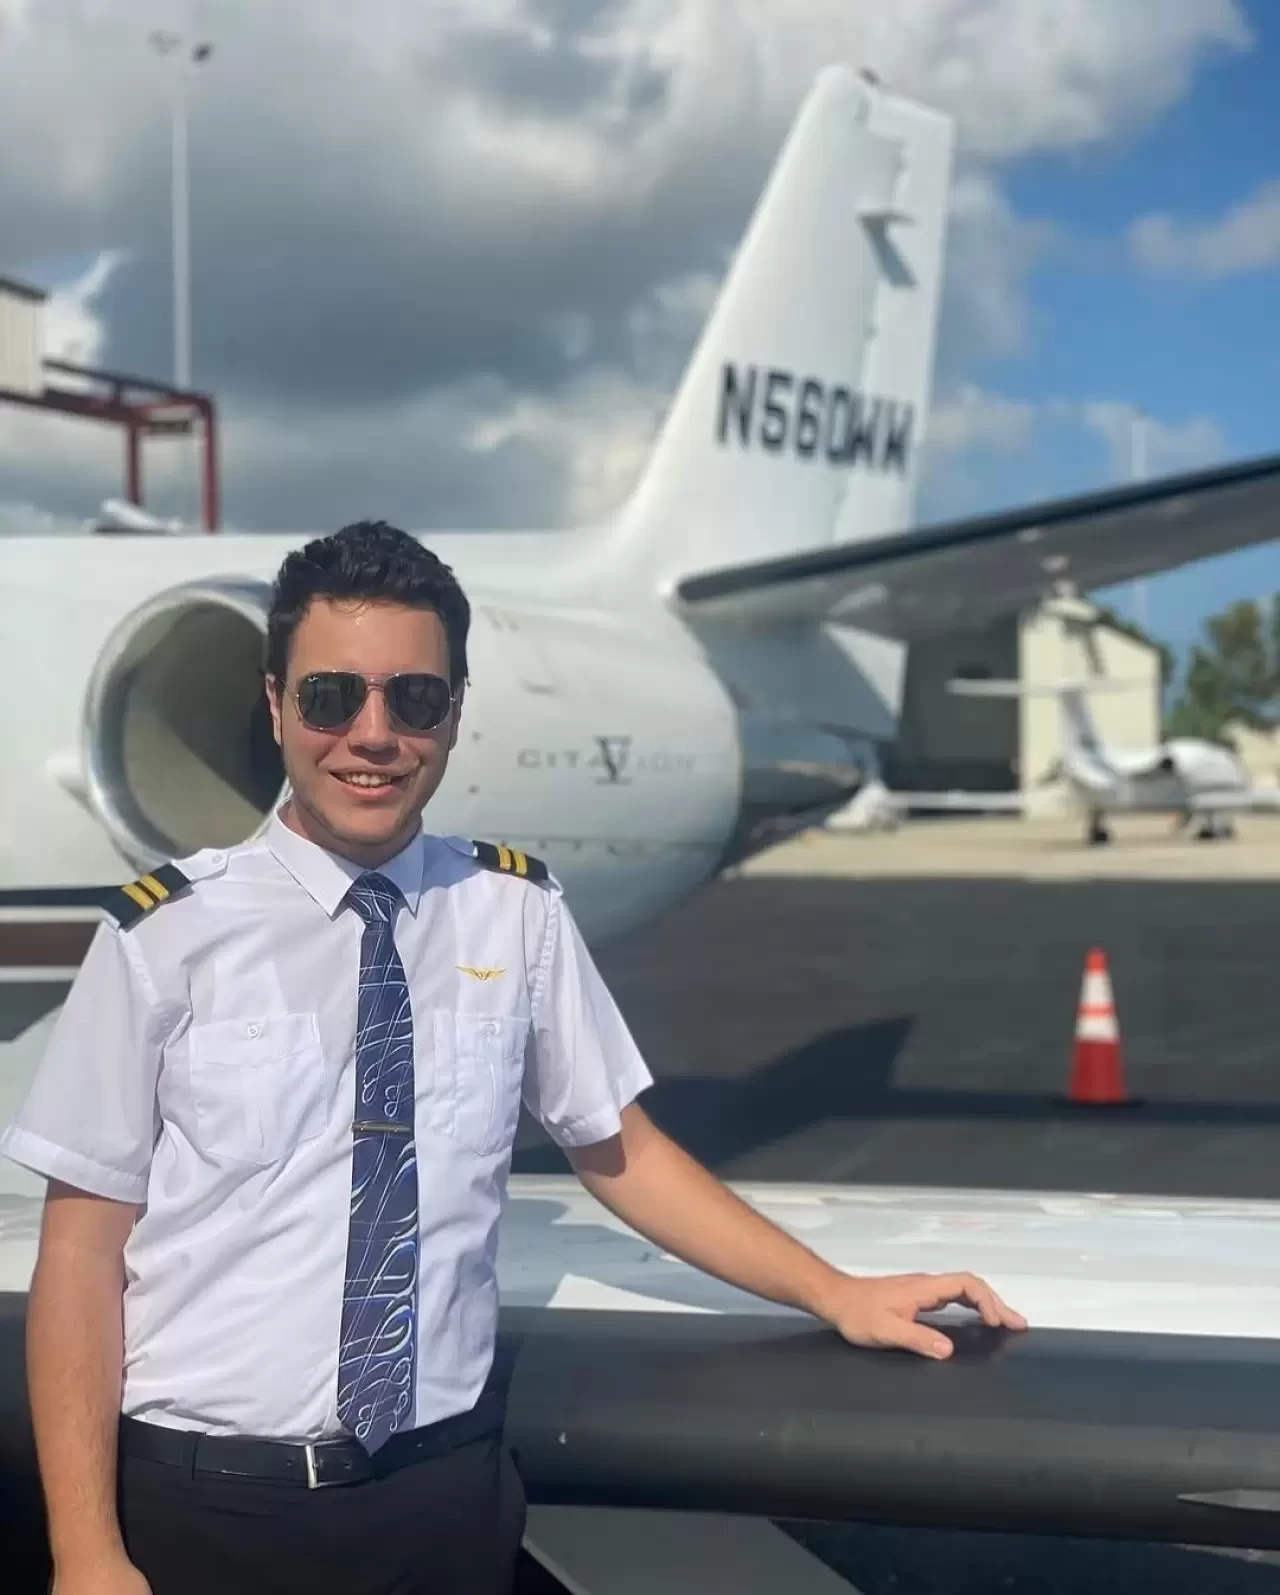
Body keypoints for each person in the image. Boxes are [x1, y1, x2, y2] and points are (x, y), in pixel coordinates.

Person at [1, 520, 1026, 1595]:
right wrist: (86, 1550)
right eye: (329, 696)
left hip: (441, 1500)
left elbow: (620, 1150)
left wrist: (833, 1290)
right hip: (208, 1511)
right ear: (275, 705)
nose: (371, 734)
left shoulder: (514, 913)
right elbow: (80, 1255)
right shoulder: (163, 936)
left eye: (414, 698)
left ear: (454, 713)